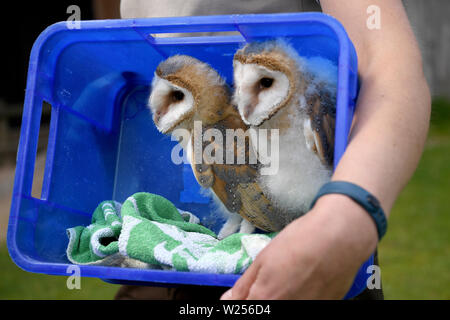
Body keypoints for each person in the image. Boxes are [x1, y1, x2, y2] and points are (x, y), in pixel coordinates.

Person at [115, 0, 431, 300]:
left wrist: (346, 216)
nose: (245, 105)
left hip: (310, 244)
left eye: (263, 86)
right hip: (167, 260)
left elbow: (389, 68)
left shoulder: (305, 108)